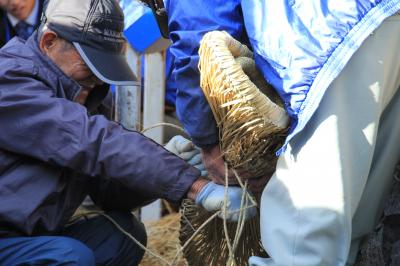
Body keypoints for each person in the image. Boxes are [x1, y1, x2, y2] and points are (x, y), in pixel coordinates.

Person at [0, 0, 255, 264]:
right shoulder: (10, 80)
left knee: (120, 235)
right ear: (49, 42)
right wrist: (195, 186)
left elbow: (106, 192)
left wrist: (167, 166)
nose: (96, 81)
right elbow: (93, 141)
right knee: (70, 257)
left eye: (102, 70)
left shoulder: (87, 93)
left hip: (33, 236)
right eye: (89, 67)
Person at [163, 0, 400, 265]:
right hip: (384, 19)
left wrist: (208, 143)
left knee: (302, 236)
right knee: (352, 220)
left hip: (329, 35)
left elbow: (200, 42)